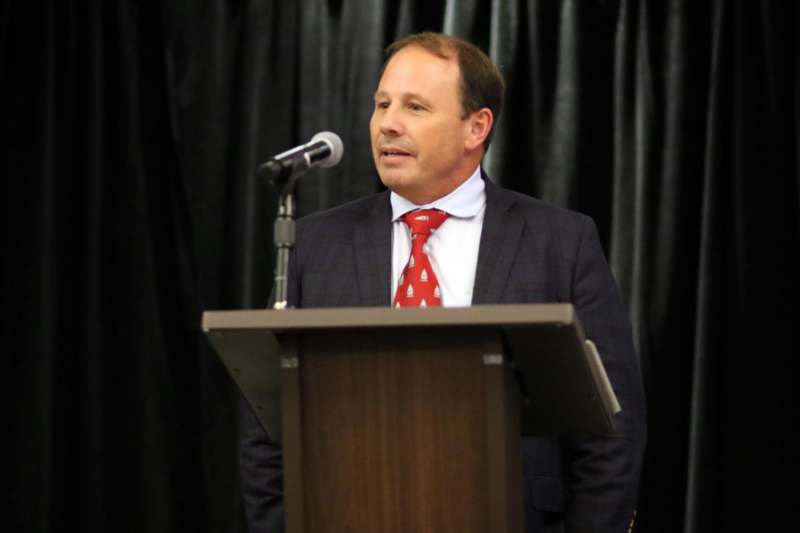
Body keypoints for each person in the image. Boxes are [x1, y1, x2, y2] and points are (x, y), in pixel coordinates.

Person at [240, 32, 646, 533]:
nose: (388, 123)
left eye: (415, 107)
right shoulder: (314, 245)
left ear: (476, 127)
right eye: (382, 104)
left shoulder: (560, 242)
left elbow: (611, 428)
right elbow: (266, 425)